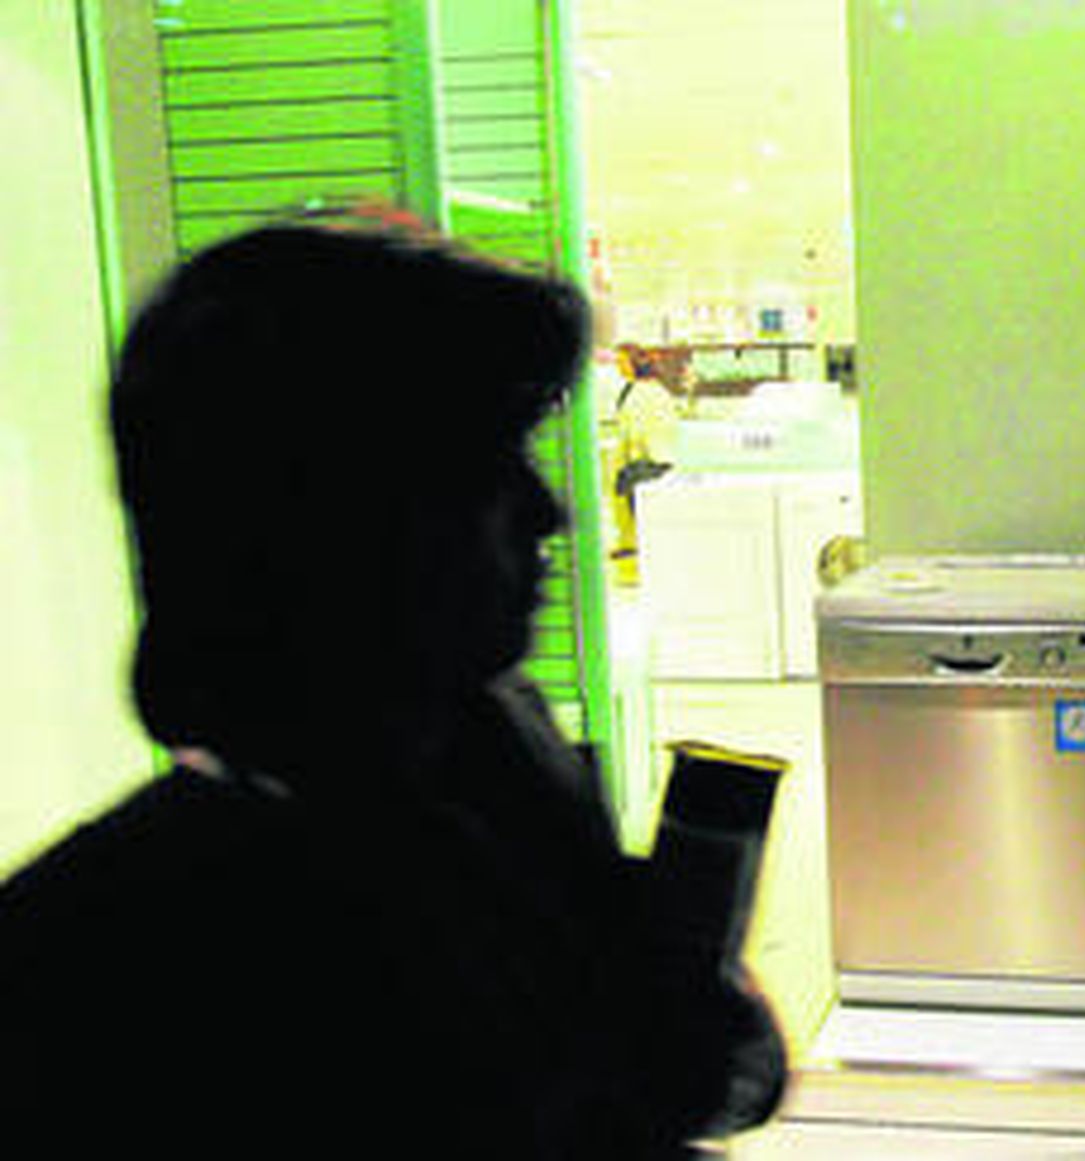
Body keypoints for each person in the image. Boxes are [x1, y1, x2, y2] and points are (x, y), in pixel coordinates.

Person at [0, 216, 786, 1156]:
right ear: (333, 521)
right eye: (489, 465)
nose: (552, 512)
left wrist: (698, 1032)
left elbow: (657, 1046)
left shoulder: (497, 753)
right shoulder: (94, 965)